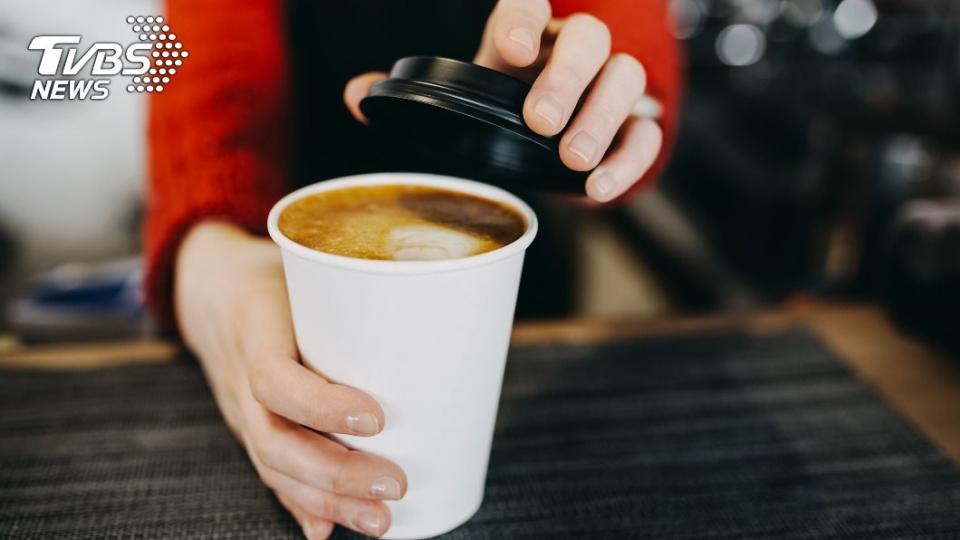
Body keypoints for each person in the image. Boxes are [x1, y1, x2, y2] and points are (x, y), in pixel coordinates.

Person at [146, 1, 682, 537]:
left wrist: (603, 98)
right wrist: (212, 250)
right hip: (285, 257)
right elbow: (215, 49)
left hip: (521, 288)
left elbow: (622, 28)